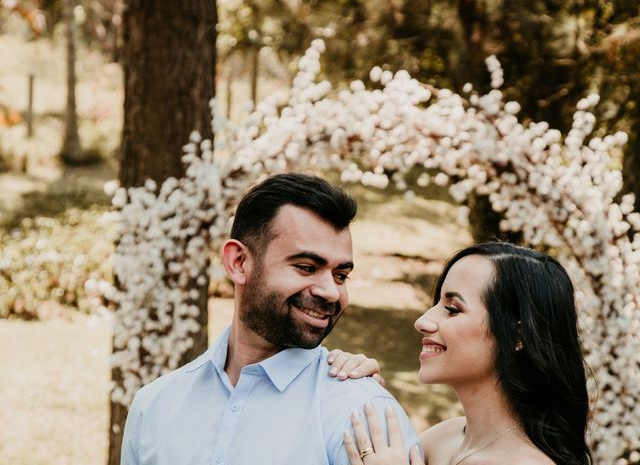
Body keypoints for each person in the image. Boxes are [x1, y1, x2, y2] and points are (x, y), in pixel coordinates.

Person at [120, 173, 420, 465]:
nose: (331, 292)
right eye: (306, 267)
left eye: (341, 275)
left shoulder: (365, 418)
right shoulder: (154, 406)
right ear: (238, 262)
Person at [330, 242, 592, 465]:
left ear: (518, 336)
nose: (422, 321)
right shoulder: (442, 439)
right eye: (436, 304)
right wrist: (353, 386)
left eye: (452, 309)